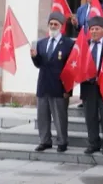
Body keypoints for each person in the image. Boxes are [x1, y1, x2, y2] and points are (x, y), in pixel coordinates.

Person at [30, 12, 75, 153]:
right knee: (42, 116)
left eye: (56, 24)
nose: (53, 26)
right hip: (43, 85)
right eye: (51, 24)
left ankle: (62, 141)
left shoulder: (68, 44)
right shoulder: (41, 43)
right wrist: (34, 57)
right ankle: (45, 141)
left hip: (60, 87)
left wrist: (68, 90)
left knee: (60, 117)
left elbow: (71, 68)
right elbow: (39, 64)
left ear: (61, 27)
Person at [80, 16, 103, 156]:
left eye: (97, 29)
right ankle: (93, 142)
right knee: (90, 116)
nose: (94, 32)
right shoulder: (85, 45)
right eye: (92, 29)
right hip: (88, 86)